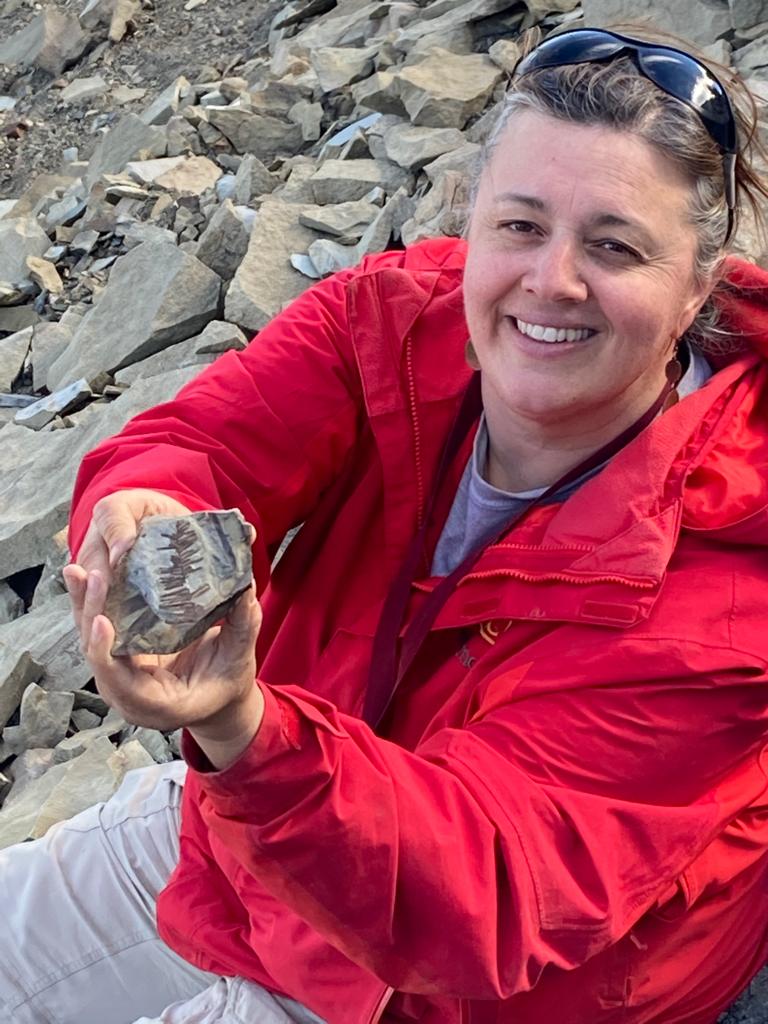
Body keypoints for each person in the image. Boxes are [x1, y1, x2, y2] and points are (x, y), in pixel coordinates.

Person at [3, 24, 768, 1024]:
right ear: (474, 219)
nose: (552, 280)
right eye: (521, 226)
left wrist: (243, 725)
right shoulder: (396, 321)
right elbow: (202, 442)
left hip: (463, 987)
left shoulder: (730, 591)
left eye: (614, 245)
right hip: (261, 816)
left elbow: (487, 883)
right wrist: (146, 507)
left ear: (696, 289)